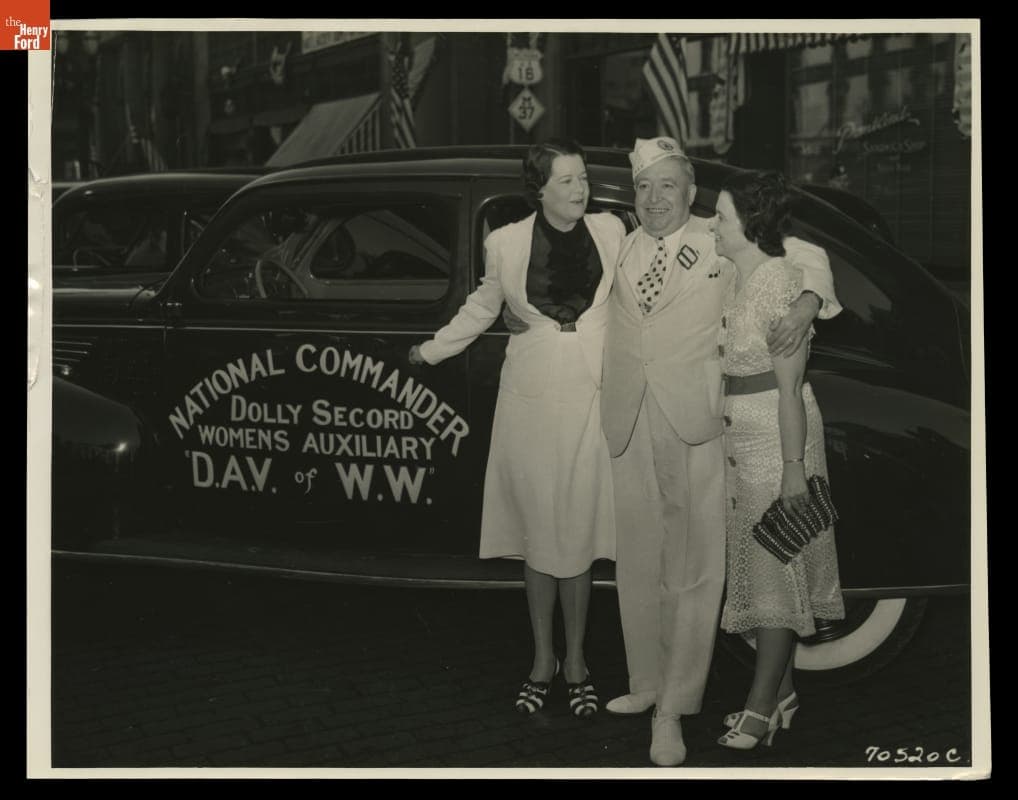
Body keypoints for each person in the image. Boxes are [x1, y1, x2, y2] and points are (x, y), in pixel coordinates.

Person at [599, 137, 841, 766]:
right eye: (644, 187)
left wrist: (810, 300)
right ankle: (645, 681)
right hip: (628, 415)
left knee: (689, 568)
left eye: (669, 186)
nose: (655, 199)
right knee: (639, 558)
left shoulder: (719, 237)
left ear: (692, 193)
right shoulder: (617, 236)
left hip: (698, 421)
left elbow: (800, 250)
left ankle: (672, 711)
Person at [409, 139, 625, 716]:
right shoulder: (503, 244)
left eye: (582, 178)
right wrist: (431, 351)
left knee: (576, 530)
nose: (580, 189)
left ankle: (577, 662)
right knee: (538, 530)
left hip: (592, 399)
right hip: (530, 402)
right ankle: (541, 660)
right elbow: (483, 306)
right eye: (566, 181)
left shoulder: (613, 232)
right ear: (539, 190)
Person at [711, 171, 845, 750]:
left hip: (777, 437)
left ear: (749, 224)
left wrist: (794, 468)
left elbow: (790, 389)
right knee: (767, 565)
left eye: (720, 217)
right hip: (742, 438)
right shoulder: (737, 275)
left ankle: (760, 709)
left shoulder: (782, 283)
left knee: (773, 567)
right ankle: (785, 694)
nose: (712, 225)